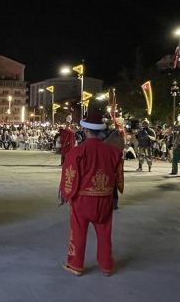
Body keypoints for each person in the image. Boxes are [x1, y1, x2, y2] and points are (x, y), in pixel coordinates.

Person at [58, 110, 122, 277]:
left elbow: (69, 174)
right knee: (104, 232)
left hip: (83, 199)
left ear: (86, 130)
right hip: (105, 199)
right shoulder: (113, 152)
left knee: (78, 231)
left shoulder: (77, 152)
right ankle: (106, 266)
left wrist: (66, 194)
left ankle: (76, 265)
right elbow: (118, 176)